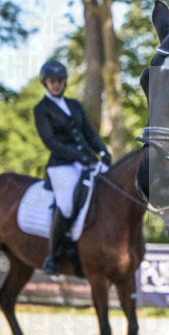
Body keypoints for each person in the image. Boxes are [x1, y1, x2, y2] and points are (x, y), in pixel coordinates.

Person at [33, 60, 111, 275]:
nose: (56, 84)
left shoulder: (75, 105)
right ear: (45, 83)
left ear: (64, 82)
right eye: (52, 81)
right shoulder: (41, 109)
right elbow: (50, 142)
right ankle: (53, 255)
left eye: (59, 80)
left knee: (110, 190)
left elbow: (90, 133)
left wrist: (103, 151)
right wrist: (79, 156)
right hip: (61, 166)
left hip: (87, 160)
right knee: (66, 205)